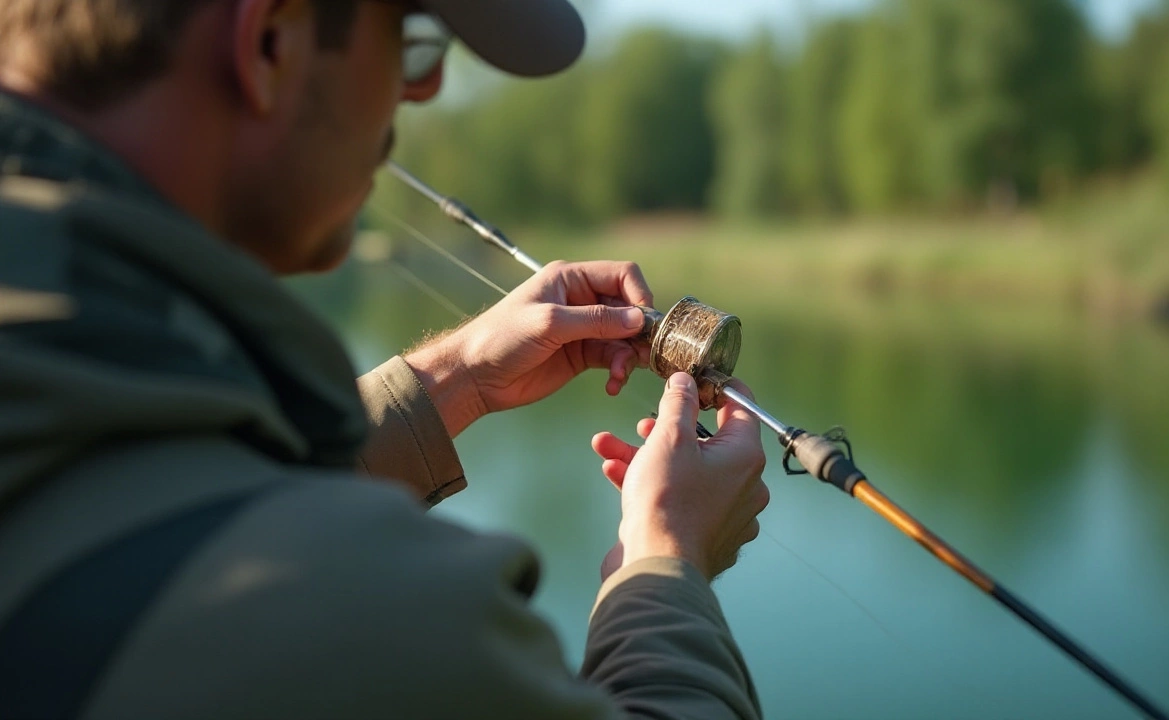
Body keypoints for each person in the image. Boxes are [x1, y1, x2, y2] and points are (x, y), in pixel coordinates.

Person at [0, 1, 770, 718]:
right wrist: (668, 562)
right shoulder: (355, 611)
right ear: (272, 42)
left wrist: (455, 377)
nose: (427, 87)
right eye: (407, 40)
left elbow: (146, 493)